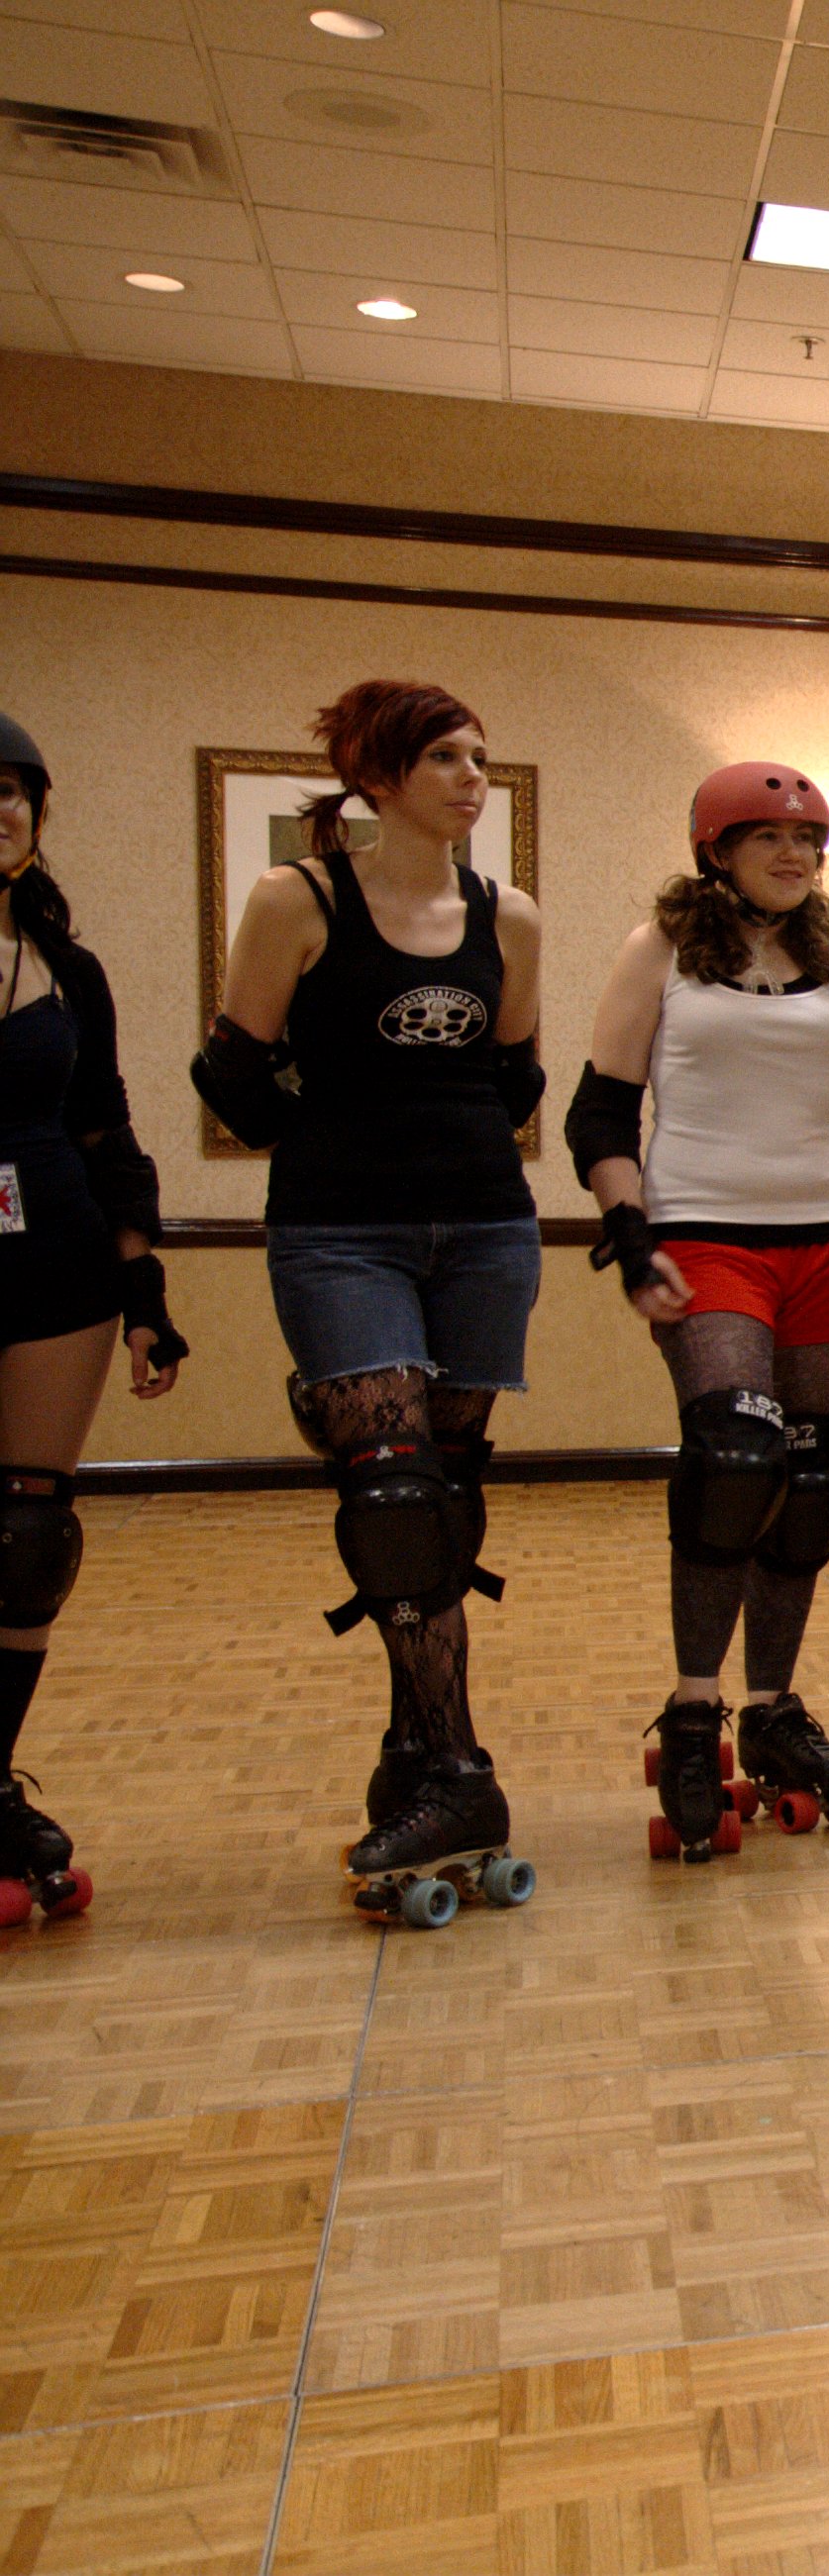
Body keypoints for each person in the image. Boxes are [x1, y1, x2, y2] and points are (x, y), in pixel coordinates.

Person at [194, 679, 544, 1926]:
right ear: (378, 779)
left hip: (485, 1229)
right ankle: (461, 1772)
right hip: (340, 1233)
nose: (471, 777)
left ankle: (413, 1746)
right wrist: (335, 1138)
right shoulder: (297, 899)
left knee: (441, 1500)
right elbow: (233, 1073)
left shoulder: (510, 916)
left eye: (480, 756)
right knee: (393, 1498)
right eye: (445, 756)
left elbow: (515, 1075)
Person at [568, 761, 829, 1862]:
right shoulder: (662, 953)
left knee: (808, 1480)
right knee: (735, 1459)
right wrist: (632, 1237)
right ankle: (693, 1714)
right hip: (707, 1235)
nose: (794, 855)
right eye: (768, 836)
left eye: (808, 840)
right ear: (715, 852)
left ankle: (770, 1706)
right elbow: (600, 1111)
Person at [0, 712, 186, 1930]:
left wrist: (144, 1295)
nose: (3, 810)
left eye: (17, 792)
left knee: (27, 1540)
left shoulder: (68, 969)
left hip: (57, 1259)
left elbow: (106, 1129)